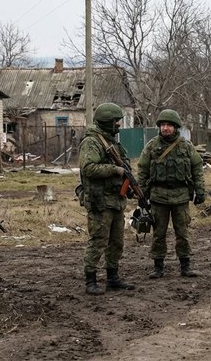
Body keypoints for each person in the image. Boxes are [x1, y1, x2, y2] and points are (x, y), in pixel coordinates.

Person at [137, 109, 205, 279]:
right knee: (158, 233)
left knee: (182, 232)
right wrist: (141, 194)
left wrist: (200, 190)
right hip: (158, 196)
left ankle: (185, 266)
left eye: (169, 125)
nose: (165, 128)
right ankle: (158, 267)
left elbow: (197, 168)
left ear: (175, 127)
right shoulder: (152, 146)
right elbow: (143, 170)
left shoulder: (186, 146)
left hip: (181, 196)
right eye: (162, 125)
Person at [79, 103, 135, 295]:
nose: (119, 124)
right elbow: (88, 168)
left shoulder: (112, 142)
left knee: (116, 242)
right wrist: (116, 170)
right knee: (98, 240)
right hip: (100, 201)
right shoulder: (92, 142)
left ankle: (113, 278)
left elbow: (125, 165)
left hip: (116, 201)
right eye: (115, 121)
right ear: (106, 121)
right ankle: (90, 280)